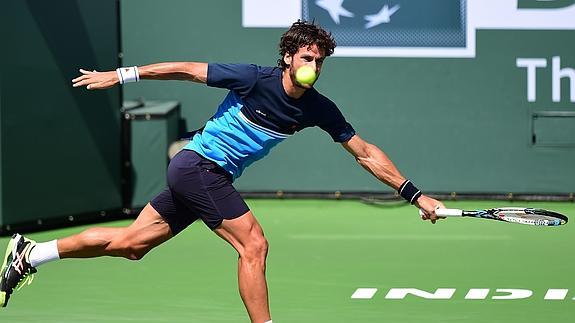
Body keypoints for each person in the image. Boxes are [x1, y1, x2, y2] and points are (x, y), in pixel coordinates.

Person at [0, 20, 444, 322]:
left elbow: (364, 152)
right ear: (288, 57)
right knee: (255, 245)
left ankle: (31, 253)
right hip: (198, 167)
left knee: (131, 244)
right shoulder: (253, 78)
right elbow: (186, 70)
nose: (314, 66)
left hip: (206, 177)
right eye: (307, 57)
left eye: (320, 60)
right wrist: (123, 74)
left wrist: (414, 194)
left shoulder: (318, 109)